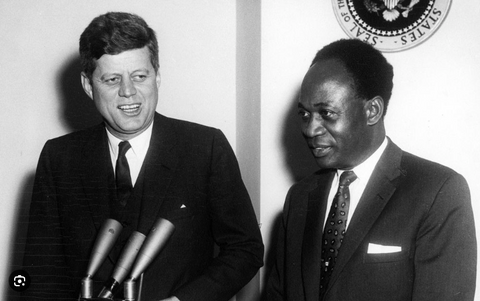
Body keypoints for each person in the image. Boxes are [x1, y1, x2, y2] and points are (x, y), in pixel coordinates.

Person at [22, 12, 263, 301]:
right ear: (88, 85)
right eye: (112, 79)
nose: (128, 92)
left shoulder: (205, 148)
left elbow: (246, 250)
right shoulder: (58, 158)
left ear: (157, 76)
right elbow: (40, 275)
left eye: (139, 76)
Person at [266, 39, 476, 301]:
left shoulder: (438, 192)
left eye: (327, 113)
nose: (310, 130)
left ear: (372, 111)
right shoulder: (299, 197)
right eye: (305, 114)